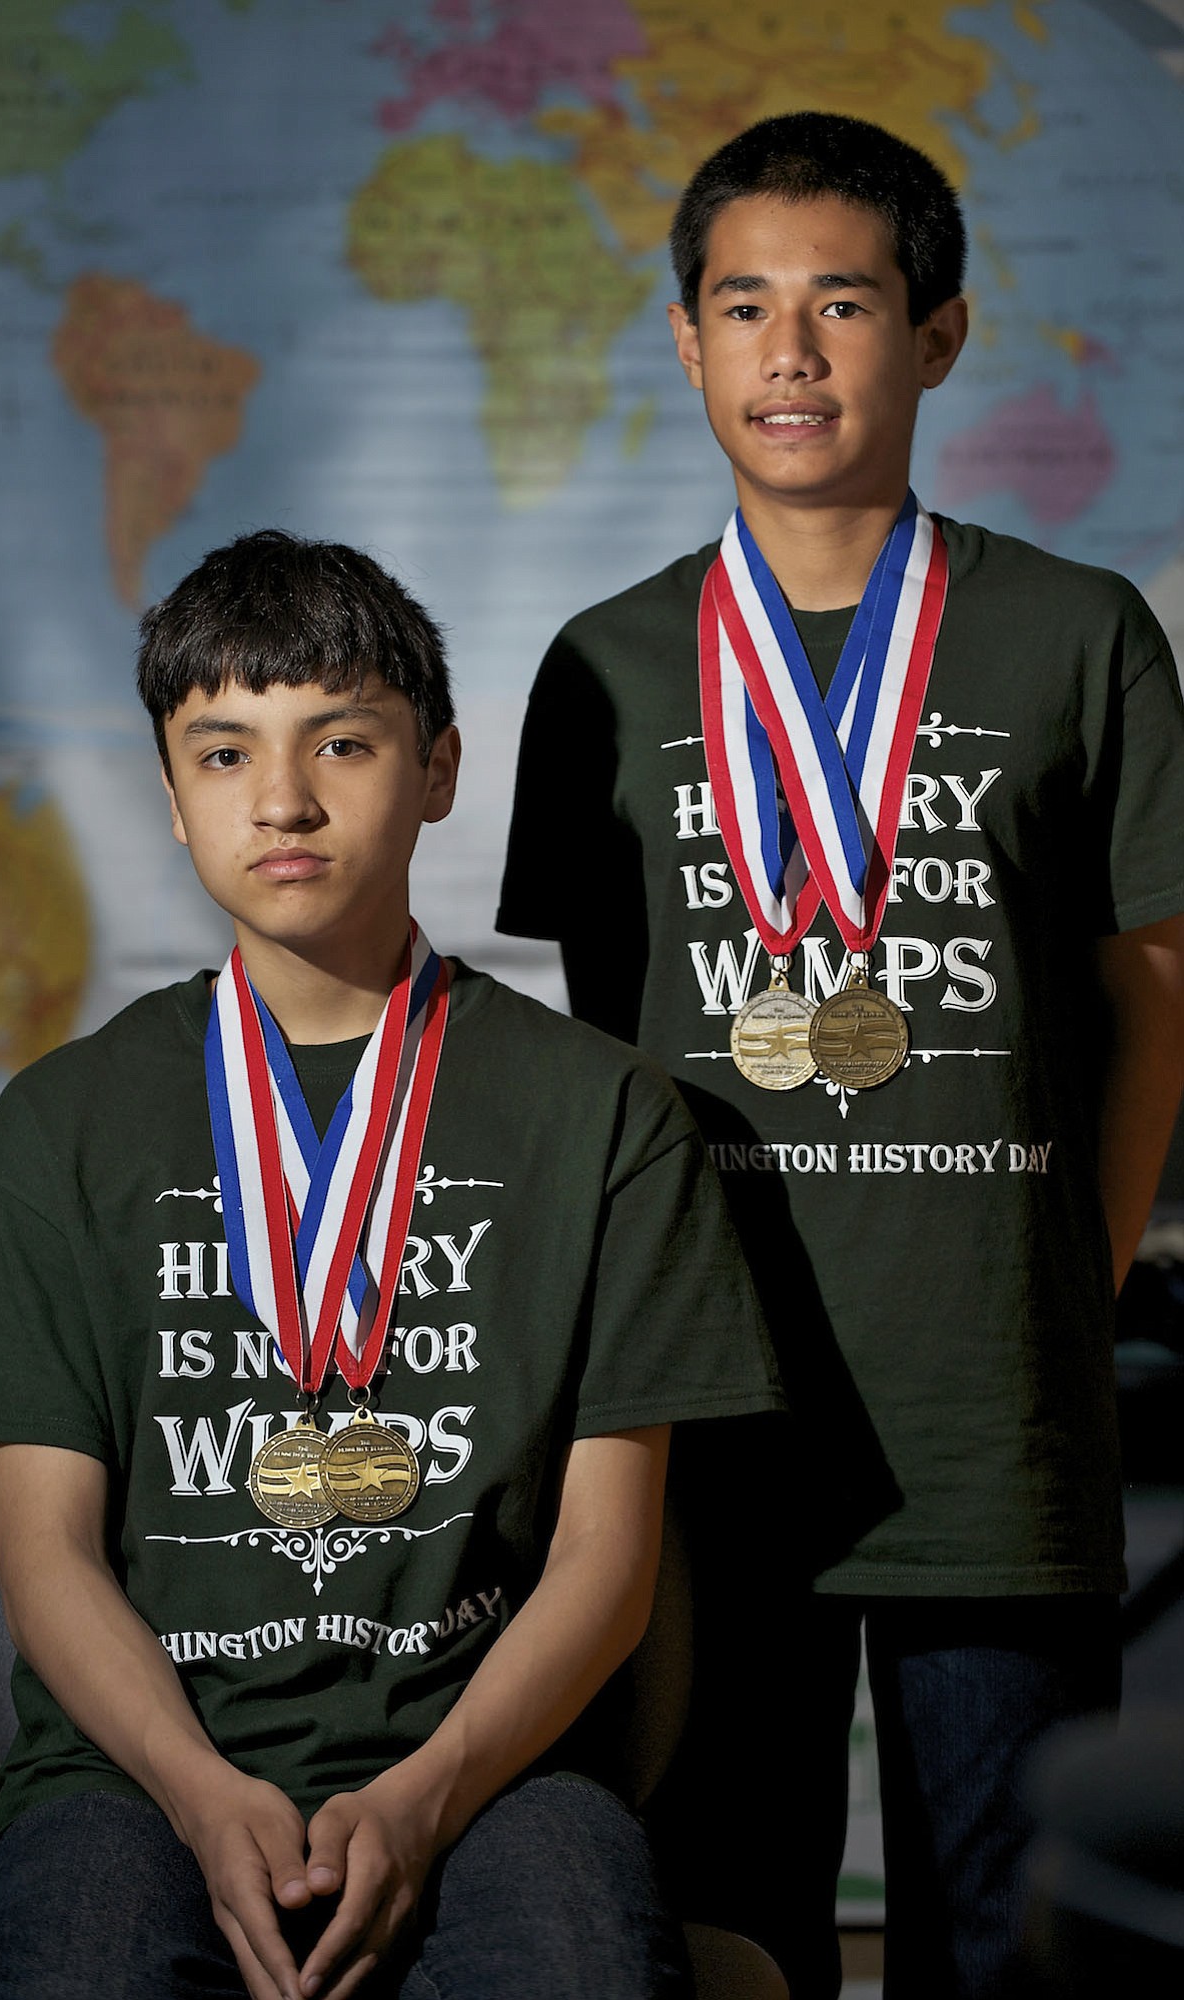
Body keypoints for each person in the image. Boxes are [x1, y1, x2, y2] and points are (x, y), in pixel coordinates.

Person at [497, 111, 1184, 2000]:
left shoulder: (1074, 631)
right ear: (685, 339)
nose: (791, 350)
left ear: (938, 335)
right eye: (745, 305)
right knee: (726, 1923)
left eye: (844, 303)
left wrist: (1068, 1270)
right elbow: (601, 1060)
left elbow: (1154, 997)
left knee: (1011, 1929)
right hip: (712, 1412)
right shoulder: (607, 666)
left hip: (996, 1416)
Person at [0, 529, 785, 2000]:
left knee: (582, 1965)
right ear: (171, 795)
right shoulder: (64, 1121)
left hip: (496, 1767)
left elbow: (608, 1555)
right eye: (222, 753)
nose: (283, 800)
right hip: (136, 1779)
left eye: (342, 741)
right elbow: (46, 1548)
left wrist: (427, 1792)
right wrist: (202, 1795)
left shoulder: (600, 1115)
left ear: (438, 769)